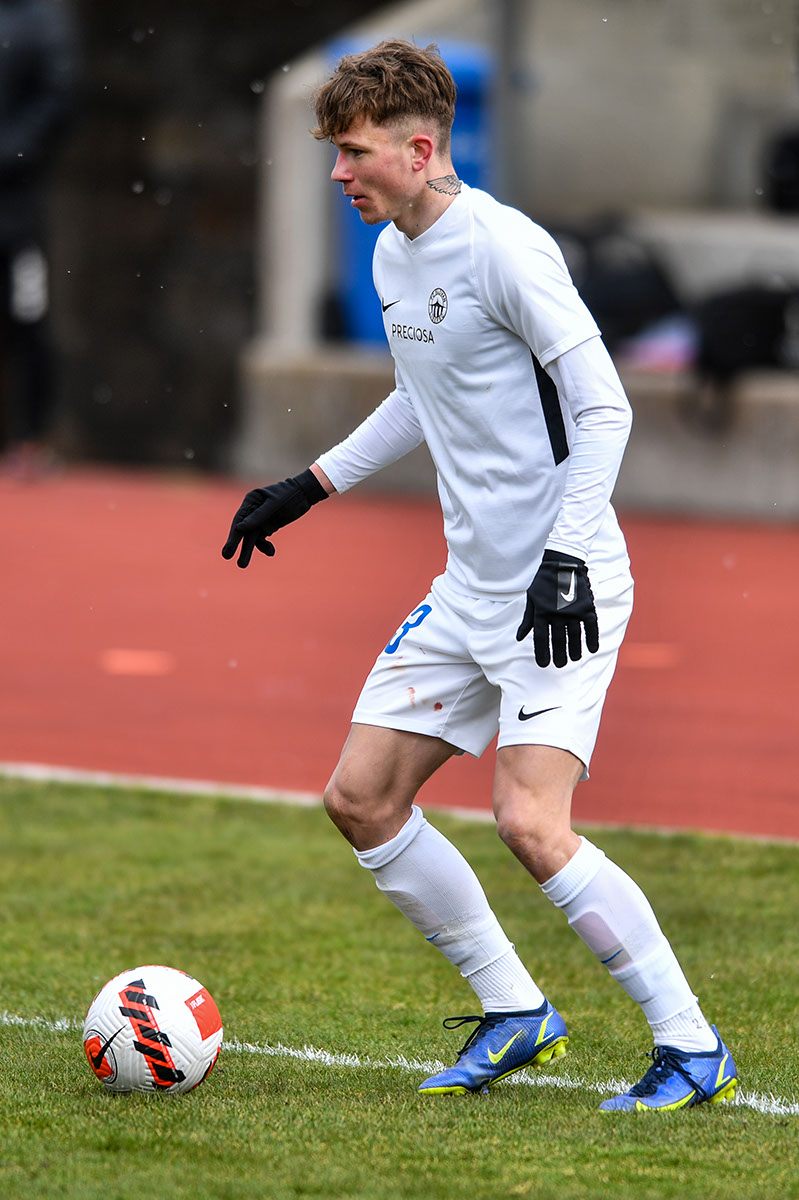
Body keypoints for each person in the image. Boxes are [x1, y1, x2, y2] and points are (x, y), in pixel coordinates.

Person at [222, 40, 738, 1111]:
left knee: (530, 824)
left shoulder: (506, 249)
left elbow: (605, 409)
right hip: (469, 587)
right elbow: (422, 393)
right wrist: (309, 485)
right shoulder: (391, 254)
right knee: (361, 799)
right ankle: (515, 1012)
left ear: (420, 150)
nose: (339, 173)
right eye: (334, 154)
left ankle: (691, 1048)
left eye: (356, 153)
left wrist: (564, 556)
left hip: (564, 585)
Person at [0, 0, 76, 479]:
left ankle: (31, 437)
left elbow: (58, 98)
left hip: (15, 205)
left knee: (27, 318)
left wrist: (10, 152)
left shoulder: (40, 20)